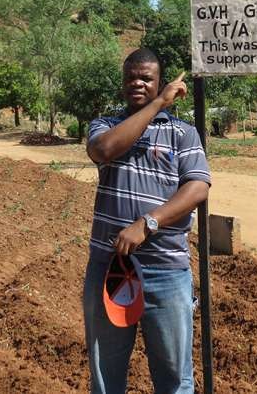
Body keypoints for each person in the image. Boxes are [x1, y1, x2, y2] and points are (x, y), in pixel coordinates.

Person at [83, 48, 211, 394]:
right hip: (111, 268)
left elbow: (198, 188)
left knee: (174, 378)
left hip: (166, 269)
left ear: (159, 81)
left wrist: (148, 223)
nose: (137, 83)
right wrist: (158, 105)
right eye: (131, 78)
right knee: (106, 377)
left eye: (146, 78)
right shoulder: (105, 126)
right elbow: (105, 150)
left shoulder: (182, 133)